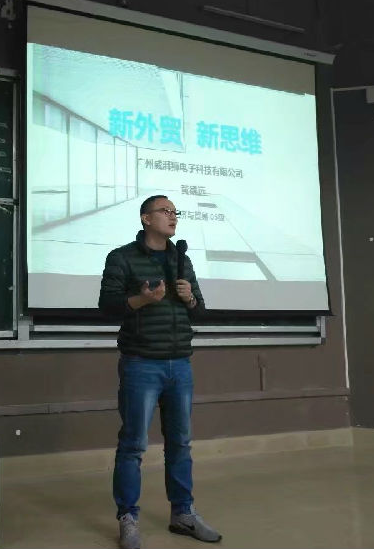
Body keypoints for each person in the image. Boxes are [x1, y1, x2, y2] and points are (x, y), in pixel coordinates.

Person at [98, 194, 221, 548]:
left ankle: (183, 514)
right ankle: (128, 518)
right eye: (165, 211)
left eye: (175, 212)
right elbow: (107, 306)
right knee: (134, 445)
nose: (173, 217)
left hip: (180, 363)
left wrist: (190, 298)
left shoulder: (181, 260)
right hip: (141, 363)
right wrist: (142, 299)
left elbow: (200, 312)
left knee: (180, 443)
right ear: (146, 218)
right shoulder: (122, 258)